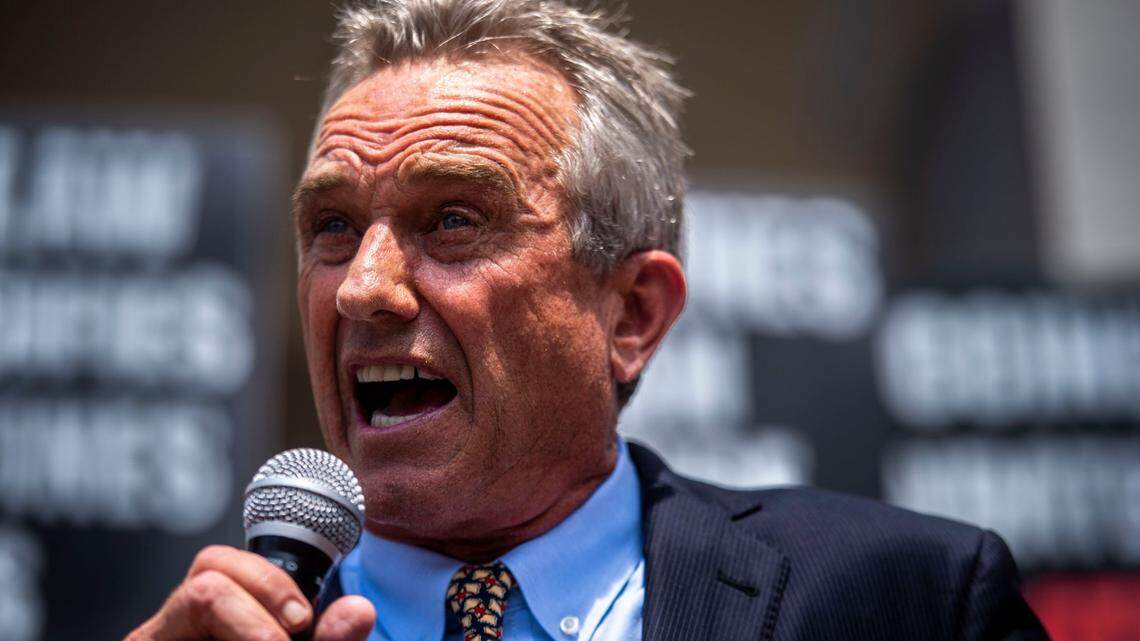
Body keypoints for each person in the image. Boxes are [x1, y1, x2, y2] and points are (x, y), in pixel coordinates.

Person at [127, 1, 1049, 640]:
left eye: (453, 219)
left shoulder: (912, 600)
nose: (364, 288)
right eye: (332, 227)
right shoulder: (211, 626)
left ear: (632, 313)